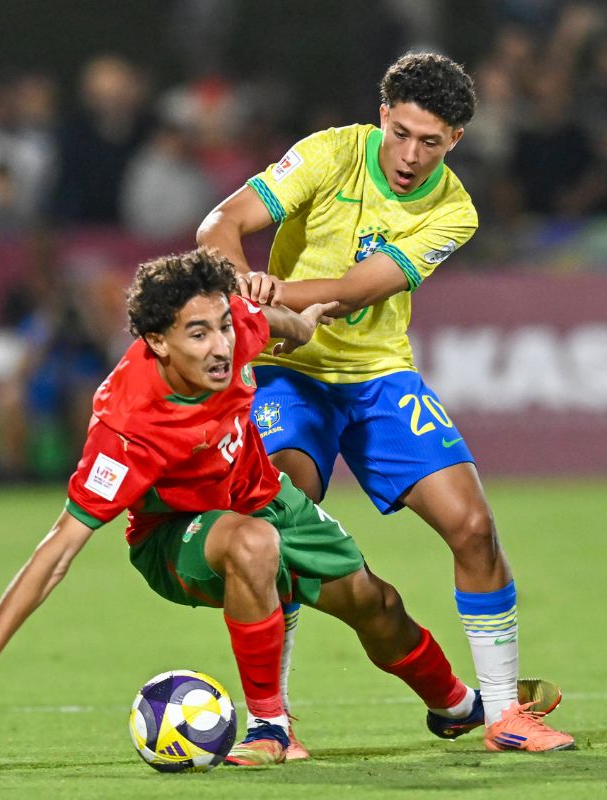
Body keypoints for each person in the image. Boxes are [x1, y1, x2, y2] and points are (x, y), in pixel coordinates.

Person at [0, 249, 573, 766]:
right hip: (176, 540)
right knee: (252, 545)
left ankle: (457, 707)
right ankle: (270, 726)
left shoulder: (228, 334)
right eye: (199, 335)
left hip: (263, 500)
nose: (220, 346)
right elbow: (59, 548)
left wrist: (299, 325)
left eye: (223, 327)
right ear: (158, 342)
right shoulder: (127, 423)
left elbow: (269, 323)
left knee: (378, 605)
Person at [197, 52, 574, 754]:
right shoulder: (331, 154)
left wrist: (274, 298)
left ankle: (503, 717)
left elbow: (361, 288)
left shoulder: (453, 210)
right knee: (280, 524)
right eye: (400, 133)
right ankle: (272, 726)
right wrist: (241, 278)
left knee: (473, 529)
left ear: (455, 140)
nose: (409, 155)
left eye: (429, 142)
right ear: (382, 117)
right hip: (286, 371)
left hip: (379, 378)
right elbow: (221, 222)